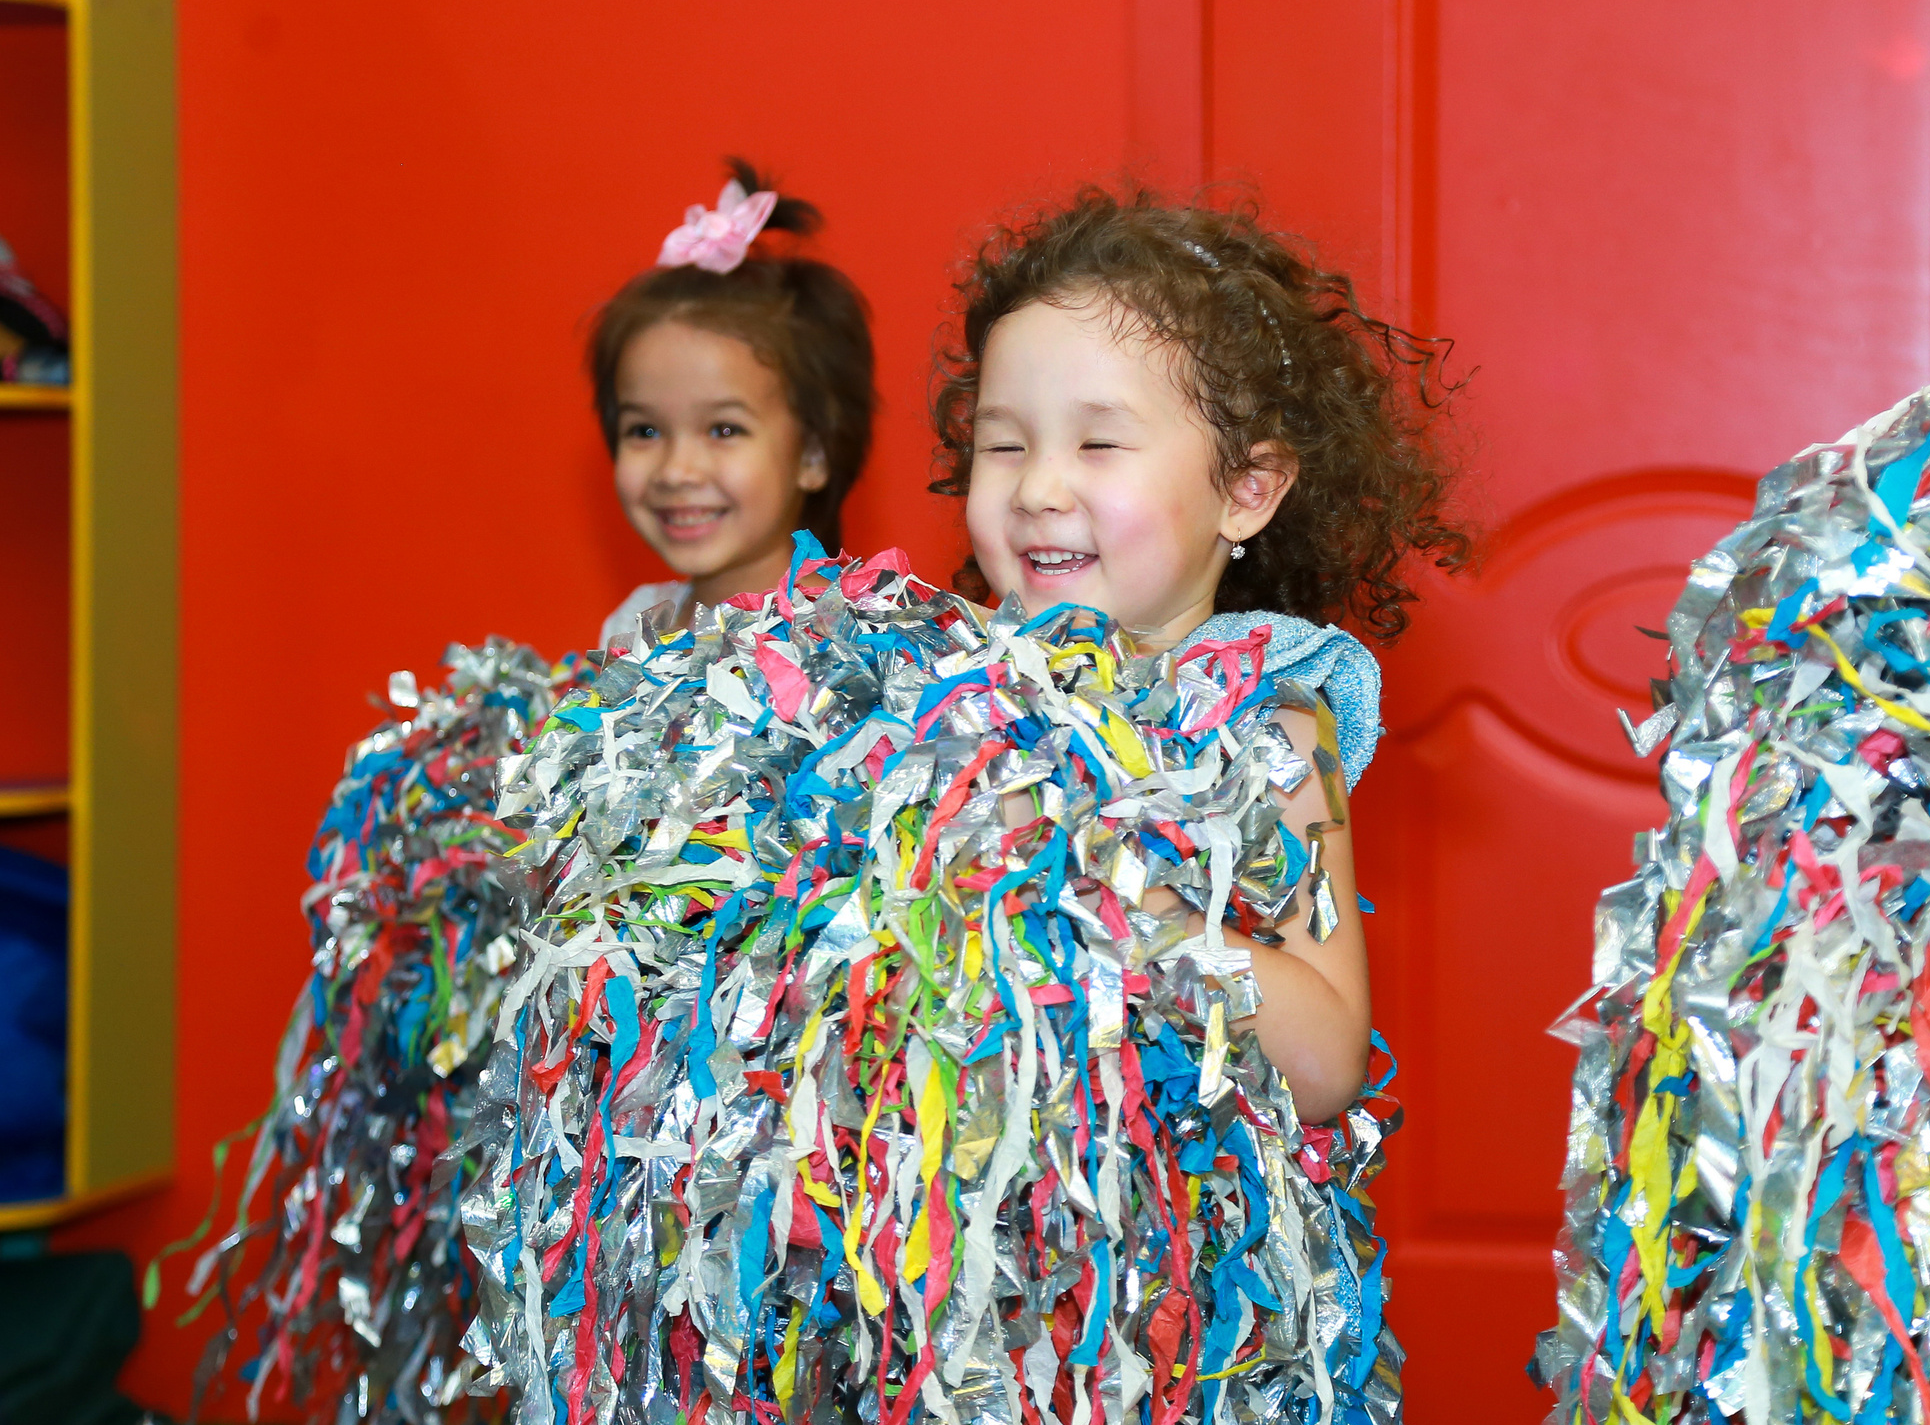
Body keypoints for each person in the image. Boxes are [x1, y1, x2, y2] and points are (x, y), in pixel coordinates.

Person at [928, 186, 1468, 1121]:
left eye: (1099, 442)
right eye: (1003, 445)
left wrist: (1109, 890)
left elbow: (1331, 1059)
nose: (1040, 486)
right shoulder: (932, 687)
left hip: (1157, 1240)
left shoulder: (1274, 729)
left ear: (1247, 490)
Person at [587, 160, 877, 652]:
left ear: (813, 454)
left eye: (723, 429)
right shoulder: (630, 627)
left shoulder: (845, 640)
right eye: (645, 431)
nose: (676, 471)